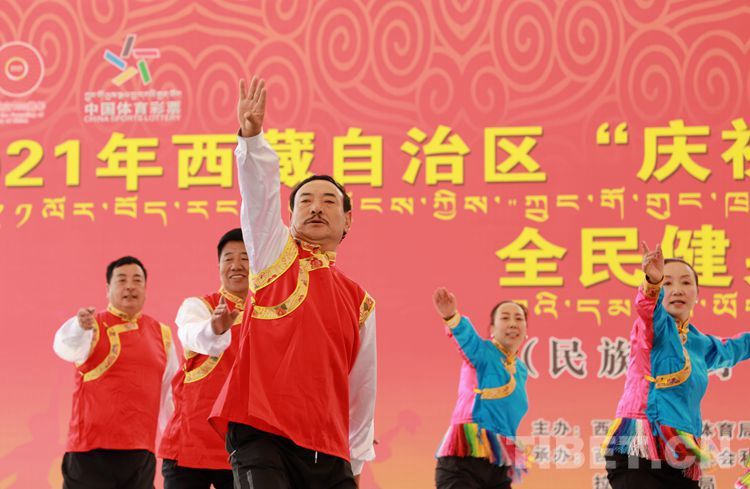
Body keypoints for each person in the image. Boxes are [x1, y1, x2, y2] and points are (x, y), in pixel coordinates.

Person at [209, 76, 377, 489]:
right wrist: (252, 140)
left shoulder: (360, 301)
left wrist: (355, 458)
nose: (316, 208)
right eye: (305, 200)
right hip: (260, 428)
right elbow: (259, 197)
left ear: (347, 220)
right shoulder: (274, 253)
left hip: (327, 445)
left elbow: (362, 386)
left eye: (328, 201)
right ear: (290, 216)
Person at [602, 242, 750, 489]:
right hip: (639, 450)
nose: (677, 290)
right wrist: (653, 281)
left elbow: (737, 347)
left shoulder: (699, 343)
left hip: (680, 454)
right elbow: (648, 309)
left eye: (686, 282)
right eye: (668, 283)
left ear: (697, 294)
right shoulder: (652, 326)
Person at [53, 256, 178, 489]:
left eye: (137, 280)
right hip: (91, 451)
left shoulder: (162, 334)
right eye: (121, 280)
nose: (130, 286)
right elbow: (64, 347)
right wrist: (78, 327)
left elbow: (169, 394)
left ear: (145, 289)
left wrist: (175, 438)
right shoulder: (91, 325)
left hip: (140, 453)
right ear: (108, 289)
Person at [159, 228, 249, 489]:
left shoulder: (269, 311)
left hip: (243, 446)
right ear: (219, 266)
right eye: (228, 258)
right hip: (189, 444)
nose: (236, 265)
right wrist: (215, 328)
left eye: (245, 258)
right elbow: (191, 334)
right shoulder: (198, 306)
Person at [432, 287, 531, 489]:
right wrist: (452, 317)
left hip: (497, 465)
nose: (513, 323)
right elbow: (467, 338)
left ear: (526, 331)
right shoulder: (482, 352)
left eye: (519, 319)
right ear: (492, 328)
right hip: (464, 461)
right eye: (505, 318)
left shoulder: (521, 370)